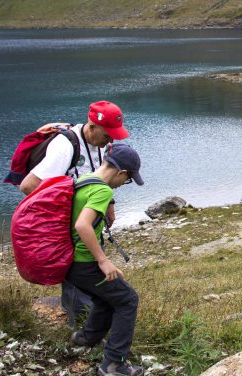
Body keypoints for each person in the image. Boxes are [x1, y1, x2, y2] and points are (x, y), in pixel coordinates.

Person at [20, 101, 130, 329]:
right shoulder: (65, 147)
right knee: (77, 274)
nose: (111, 140)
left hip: (86, 224)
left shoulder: (100, 145)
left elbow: (100, 176)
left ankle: (85, 327)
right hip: (70, 228)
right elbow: (29, 186)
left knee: (87, 273)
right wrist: (68, 216)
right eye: (108, 135)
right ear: (91, 127)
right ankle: (79, 330)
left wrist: (108, 204)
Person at [67, 143, 144, 376]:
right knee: (127, 300)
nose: (123, 184)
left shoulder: (85, 179)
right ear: (121, 172)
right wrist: (102, 260)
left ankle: (86, 337)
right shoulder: (103, 190)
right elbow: (82, 225)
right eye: (128, 179)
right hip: (85, 263)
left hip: (70, 263)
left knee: (105, 298)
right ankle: (114, 365)